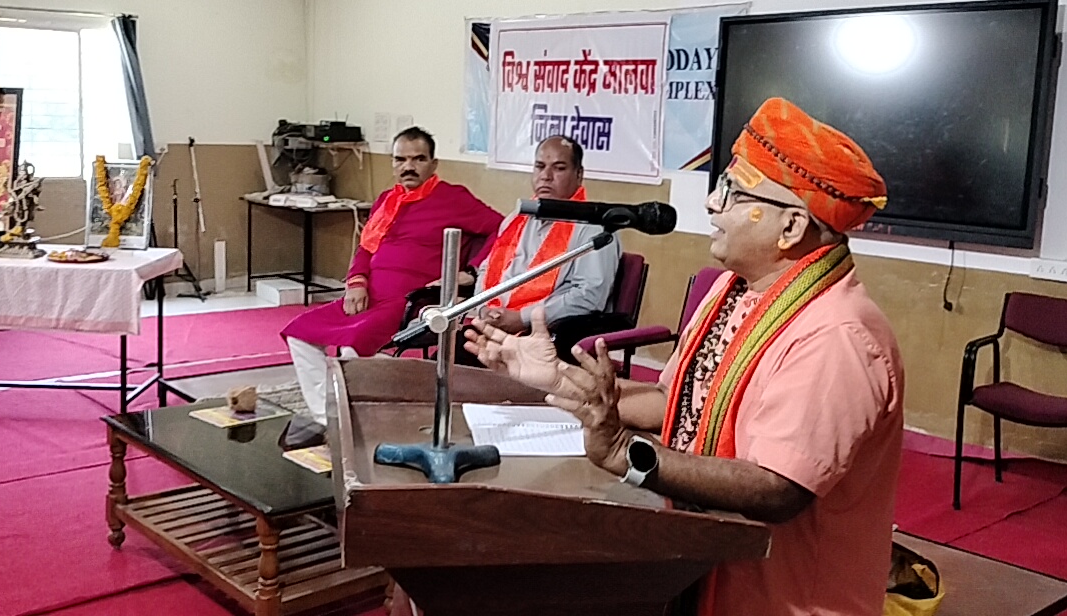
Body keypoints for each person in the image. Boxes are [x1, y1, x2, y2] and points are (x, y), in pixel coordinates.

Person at [465, 97, 903, 616]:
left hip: (783, 598)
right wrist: (558, 378)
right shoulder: (733, 290)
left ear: (790, 228)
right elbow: (672, 399)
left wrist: (626, 452)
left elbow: (777, 488)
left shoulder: (838, 336)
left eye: (734, 193)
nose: (713, 205)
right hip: (702, 567)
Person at [281, 127, 502, 428]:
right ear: (393, 163)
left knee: (353, 345)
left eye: (418, 159)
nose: (409, 166)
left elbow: (502, 228)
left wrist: (472, 271)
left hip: (411, 300)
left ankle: (363, 418)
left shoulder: (454, 198)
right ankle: (329, 418)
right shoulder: (387, 199)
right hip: (368, 295)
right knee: (299, 333)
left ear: (433, 163)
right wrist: (356, 281)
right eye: (401, 159)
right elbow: (366, 247)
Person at [462, 136, 621, 359]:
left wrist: (522, 318)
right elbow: (487, 270)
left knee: (463, 369)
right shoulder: (516, 219)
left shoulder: (595, 229)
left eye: (559, 168)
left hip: (544, 337)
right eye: (539, 166)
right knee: (443, 361)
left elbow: (589, 297)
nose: (546, 176)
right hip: (493, 326)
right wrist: (483, 308)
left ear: (579, 175)